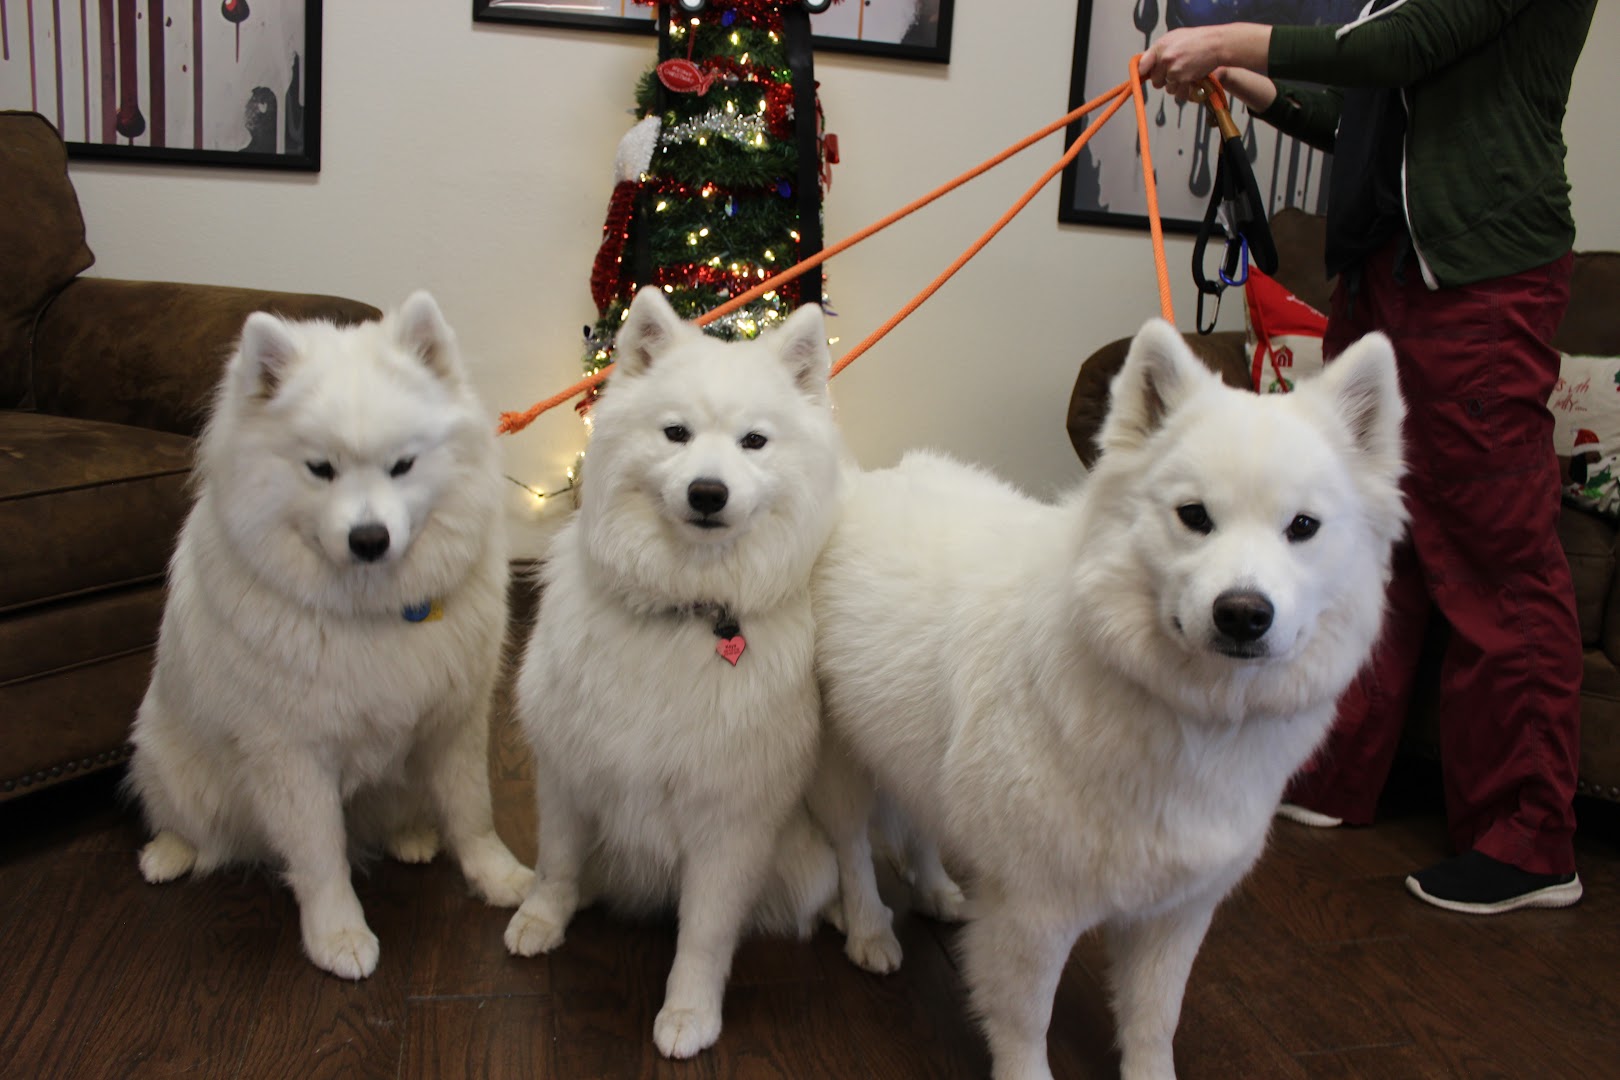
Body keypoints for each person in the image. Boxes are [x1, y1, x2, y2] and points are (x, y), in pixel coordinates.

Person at [1139, 0, 1596, 915]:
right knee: (1368, 540)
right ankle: (1336, 774)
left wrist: (1224, 39)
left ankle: (1529, 841)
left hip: (1477, 279)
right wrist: (1249, 83)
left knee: (1496, 555)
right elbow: (1368, 110)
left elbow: (1400, 44)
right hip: (1387, 273)